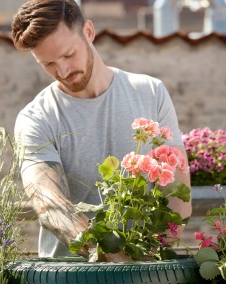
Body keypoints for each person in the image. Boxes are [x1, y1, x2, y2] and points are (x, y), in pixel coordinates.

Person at [11, 0, 191, 260]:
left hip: (145, 277)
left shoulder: (151, 93)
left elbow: (177, 193)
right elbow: (48, 202)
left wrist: (149, 257)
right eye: (48, 64)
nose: (61, 70)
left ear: (88, 32)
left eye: (68, 55)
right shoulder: (36, 118)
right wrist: (109, 258)